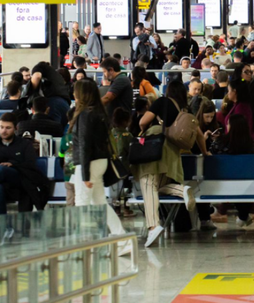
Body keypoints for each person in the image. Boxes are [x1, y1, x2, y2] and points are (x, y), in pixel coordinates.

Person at [136, 80, 208, 247]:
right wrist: (205, 152)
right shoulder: (185, 110)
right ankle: (181, 189)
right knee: (157, 185)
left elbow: (143, 122)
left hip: (155, 147)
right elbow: (198, 134)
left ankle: (153, 225)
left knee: (147, 183)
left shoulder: (162, 102)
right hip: (173, 152)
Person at [69, 79, 130, 254]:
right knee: (99, 203)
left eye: (76, 92)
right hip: (100, 162)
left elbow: (84, 144)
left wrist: (86, 174)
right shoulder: (99, 113)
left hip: (89, 163)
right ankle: (121, 239)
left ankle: (83, 246)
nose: (74, 95)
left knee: (82, 202)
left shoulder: (84, 115)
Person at [209, 114, 254, 228]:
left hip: (221, 182)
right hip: (247, 183)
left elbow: (211, 156)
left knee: (233, 183)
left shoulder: (220, 143)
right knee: (240, 184)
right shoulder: (252, 144)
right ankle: (243, 216)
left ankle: (241, 216)